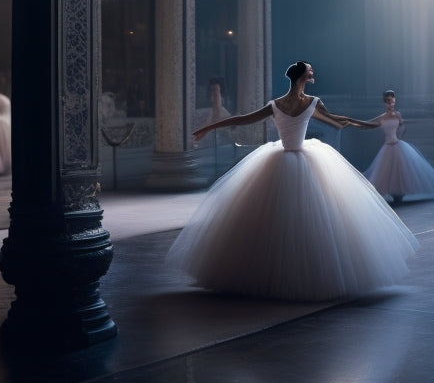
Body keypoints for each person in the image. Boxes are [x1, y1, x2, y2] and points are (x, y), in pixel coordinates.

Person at [166, 61, 419, 302]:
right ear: (303, 77)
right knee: (282, 220)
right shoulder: (303, 103)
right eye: (309, 71)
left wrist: (366, 124)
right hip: (290, 159)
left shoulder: (285, 104)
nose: (312, 73)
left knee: (298, 220)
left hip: (292, 158)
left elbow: (337, 121)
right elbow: (243, 119)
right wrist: (208, 128)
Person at [364, 90, 434, 204]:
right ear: (384, 103)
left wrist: (399, 135)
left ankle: (399, 195)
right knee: (387, 173)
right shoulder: (381, 117)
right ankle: (394, 195)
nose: (390, 104)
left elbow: (402, 126)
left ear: (395, 101)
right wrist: (351, 122)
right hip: (387, 147)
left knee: (401, 172)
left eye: (392, 101)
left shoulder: (397, 114)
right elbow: (367, 124)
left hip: (398, 145)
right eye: (387, 102)